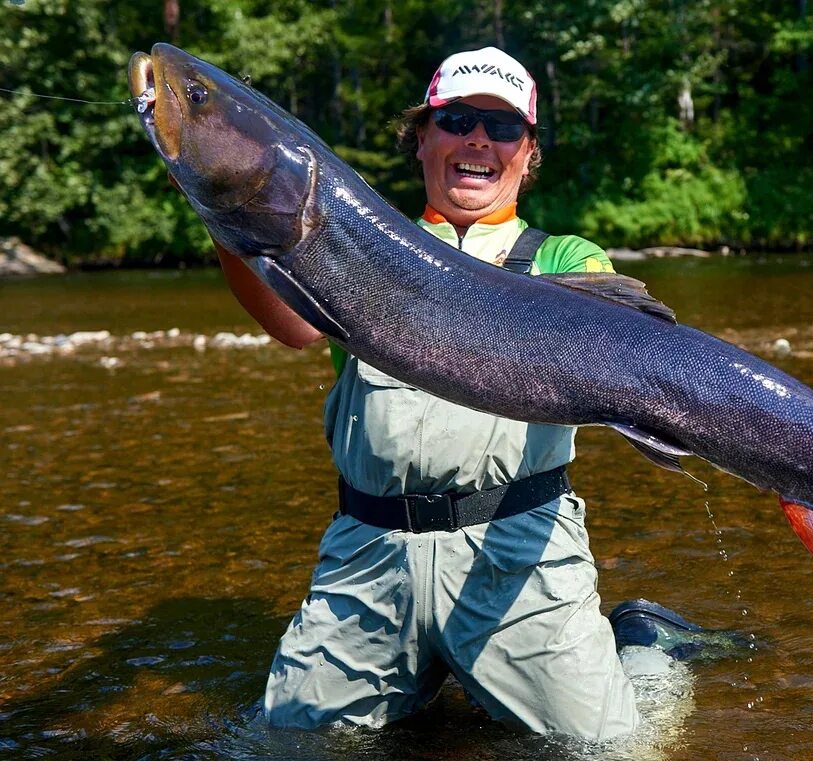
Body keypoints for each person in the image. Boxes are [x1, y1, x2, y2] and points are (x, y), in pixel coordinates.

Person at [214, 46, 702, 740]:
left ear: (527, 156)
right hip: (367, 553)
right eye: (458, 119)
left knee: (617, 749)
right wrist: (228, 213)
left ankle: (649, 650)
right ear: (422, 138)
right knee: (286, 748)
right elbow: (292, 326)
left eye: (502, 128)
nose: (478, 139)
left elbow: (613, 348)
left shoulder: (568, 259)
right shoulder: (353, 243)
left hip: (517, 552)